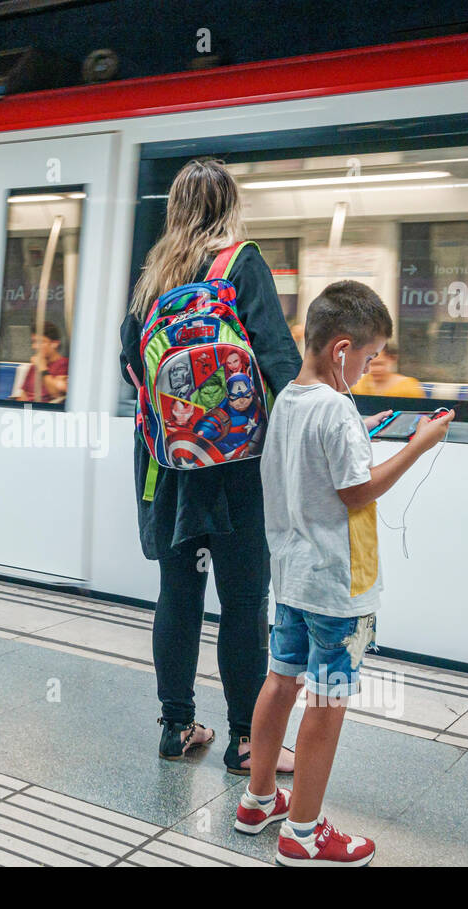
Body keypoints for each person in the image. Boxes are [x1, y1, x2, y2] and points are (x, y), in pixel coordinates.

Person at [233, 280, 453, 865]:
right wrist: (420, 444)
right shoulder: (336, 408)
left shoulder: (291, 399)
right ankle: (303, 833)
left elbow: (316, 462)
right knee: (328, 702)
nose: (367, 367)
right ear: (341, 349)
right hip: (337, 585)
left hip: (293, 577)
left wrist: (365, 430)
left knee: (280, 681)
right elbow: (358, 491)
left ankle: (259, 800)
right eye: (367, 356)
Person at [120, 157, 301, 775]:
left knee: (179, 591)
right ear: (230, 207)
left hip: (170, 467)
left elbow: (129, 366)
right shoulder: (242, 264)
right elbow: (281, 361)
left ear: (175, 210)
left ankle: (176, 726)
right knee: (245, 599)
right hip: (237, 469)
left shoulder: (153, 276)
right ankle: (246, 739)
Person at [16, 322, 68, 403]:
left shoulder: (64, 364)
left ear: (54, 344)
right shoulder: (34, 366)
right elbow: (24, 395)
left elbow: (56, 394)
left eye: (40, 342)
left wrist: (42, 368)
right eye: (33, 342)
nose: (34, 347)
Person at [353, 345, 424, 398]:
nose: (374, 369)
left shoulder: (409, 387)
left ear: (392, 360)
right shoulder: (357, 385)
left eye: (379, 364)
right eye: (369, 364)